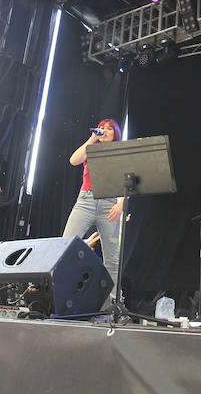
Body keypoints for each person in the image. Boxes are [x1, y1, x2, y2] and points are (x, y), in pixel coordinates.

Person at [64, 120, 124, 300]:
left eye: (109, 129)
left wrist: (121, 204)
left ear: (115, 133)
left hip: (109, 203)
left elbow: (129, 179)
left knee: (112, 258)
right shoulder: (91, 148)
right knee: (66, 246)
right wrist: (92, 138)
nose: (104, 131)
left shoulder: (120, 152)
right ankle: (65, 294)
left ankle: (112, 301)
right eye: (102, 128)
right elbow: (74, 160)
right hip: (86, 200)